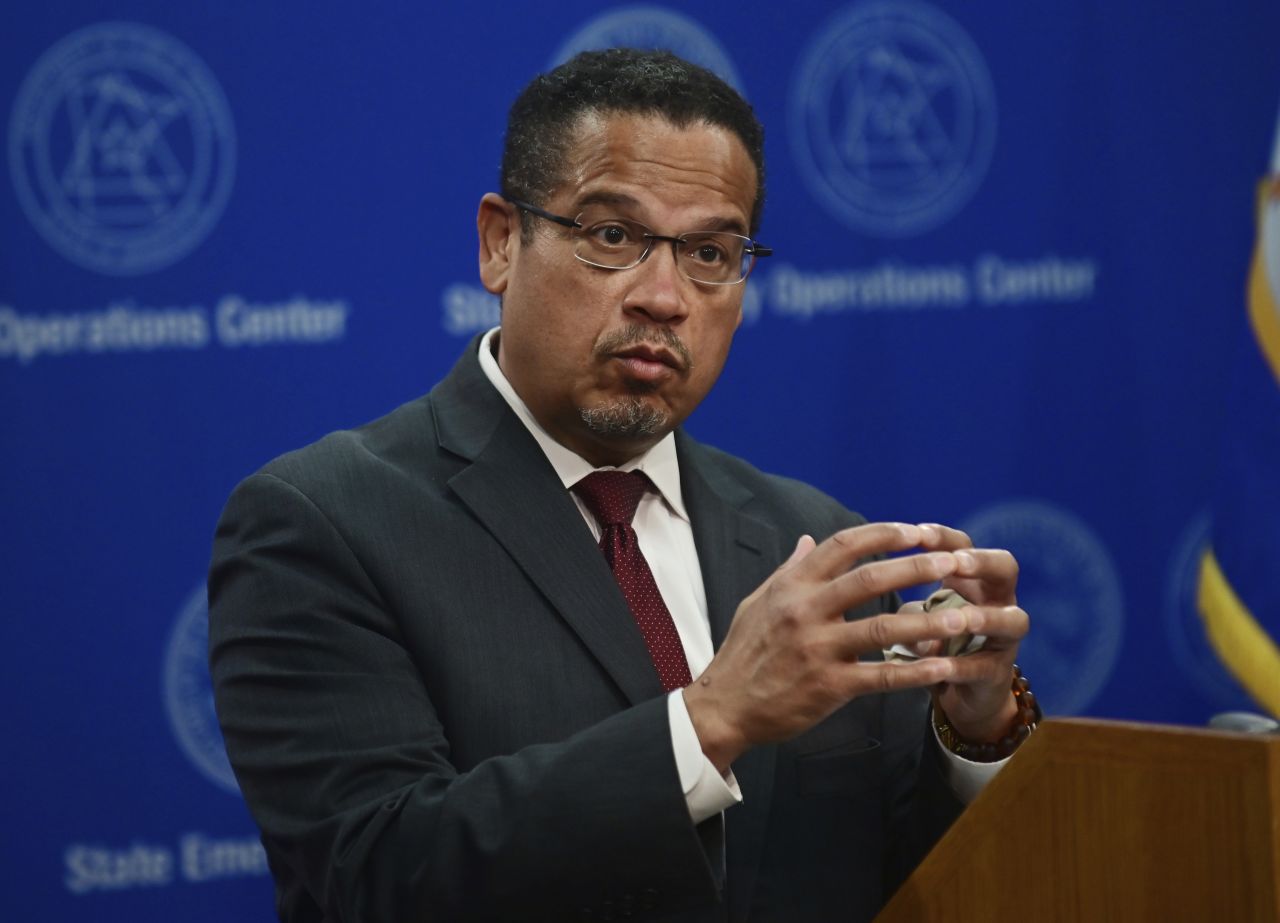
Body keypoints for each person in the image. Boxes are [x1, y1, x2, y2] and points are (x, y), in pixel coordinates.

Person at [208, 48, 1033, 923]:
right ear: (500, 242)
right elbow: (374, 873)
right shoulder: (325, 522)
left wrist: (974, 730)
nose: (665, 296)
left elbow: (896, 872)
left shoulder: (805, 534)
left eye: (711, 251)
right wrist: (709, 720)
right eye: (614, 237)